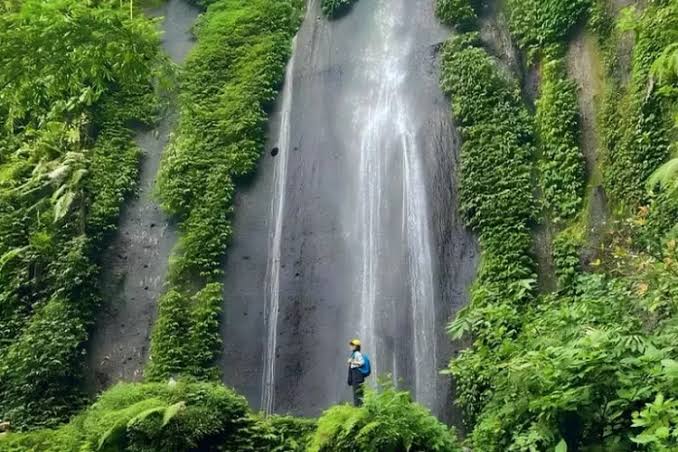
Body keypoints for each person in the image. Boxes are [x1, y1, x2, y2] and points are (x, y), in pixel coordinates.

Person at [347, 338, 366, 407]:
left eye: (352, 345)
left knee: (358, 392)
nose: (351, 346)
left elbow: (362, 363)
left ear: (356, 346)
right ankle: (358, 407)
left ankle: (359, 408)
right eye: (351, 345)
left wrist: (352, 361)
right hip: (355, 375)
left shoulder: (357, 353)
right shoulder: (354, 354)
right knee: (356, 392)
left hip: (357, 375)